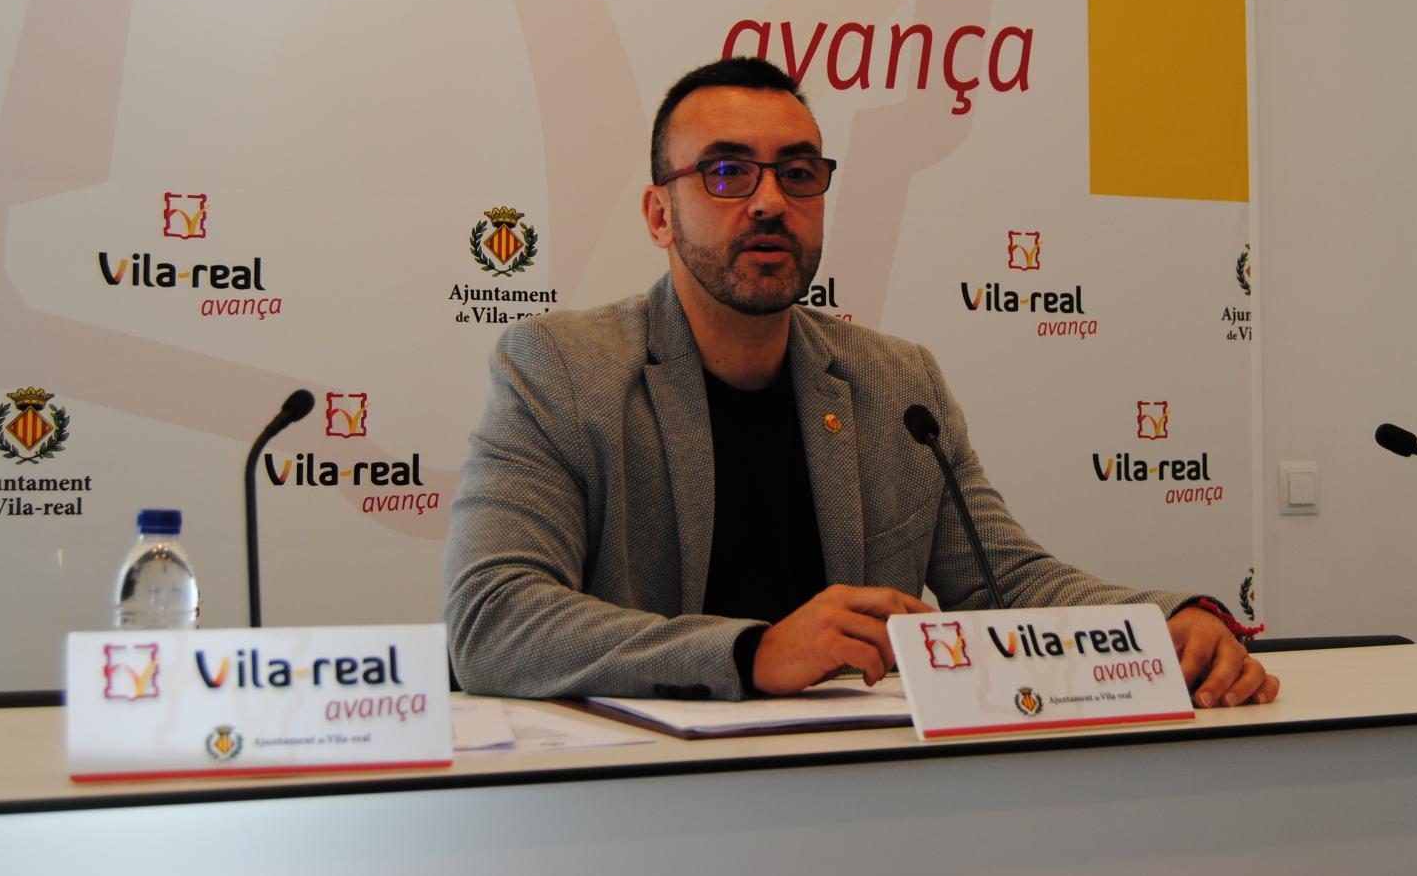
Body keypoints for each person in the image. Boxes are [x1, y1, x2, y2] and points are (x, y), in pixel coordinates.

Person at [443, 57, 1279, 707]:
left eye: (798, 172)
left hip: (863, 796)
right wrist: (753, 650)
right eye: (727, 172)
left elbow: (1006, 584)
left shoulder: (896, 381)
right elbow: (492, 619)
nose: (769, 201)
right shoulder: (560, 368)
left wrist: (1160, 622)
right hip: (648, 805)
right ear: (660, 213)